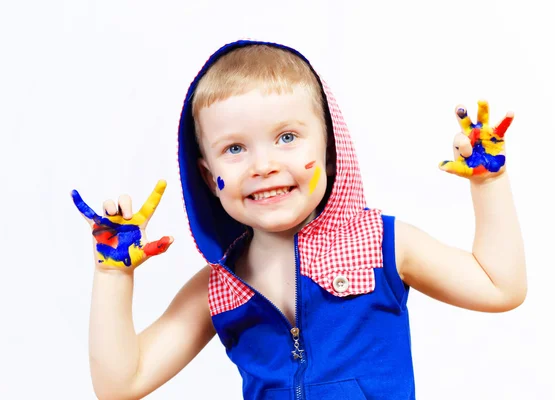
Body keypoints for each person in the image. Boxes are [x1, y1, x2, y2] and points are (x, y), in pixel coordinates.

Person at [72, 40, 527, 400]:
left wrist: (489, 183)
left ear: (329, 150)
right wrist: (112, 273)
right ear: (208, 177)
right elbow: (120, 384)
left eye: (287, 137)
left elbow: (498, 286)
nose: (263, 164)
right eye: (234, 148)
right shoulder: (218, 287)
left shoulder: (382, 244)